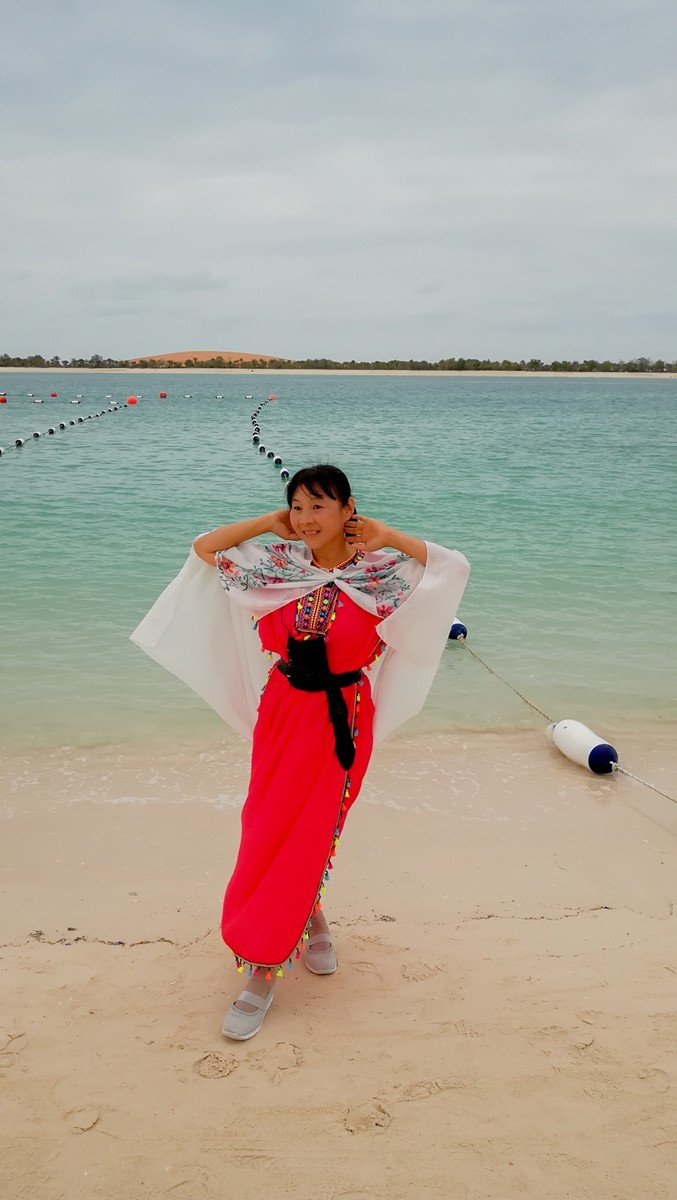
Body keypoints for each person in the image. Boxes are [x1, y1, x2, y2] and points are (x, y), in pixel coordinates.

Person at [131, 464, 469, 1041]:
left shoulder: (381, 574)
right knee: (265, 827)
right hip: (282, 712)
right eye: (298, 506)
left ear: (347, 508)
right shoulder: (277, 566)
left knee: (311, 832)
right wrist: (269, 522)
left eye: (319, 505)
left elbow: (452, 568)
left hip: (343, 721)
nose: (307, 518)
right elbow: (205, 548)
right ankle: (312, 918)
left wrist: (389, 536)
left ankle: (263, 971)